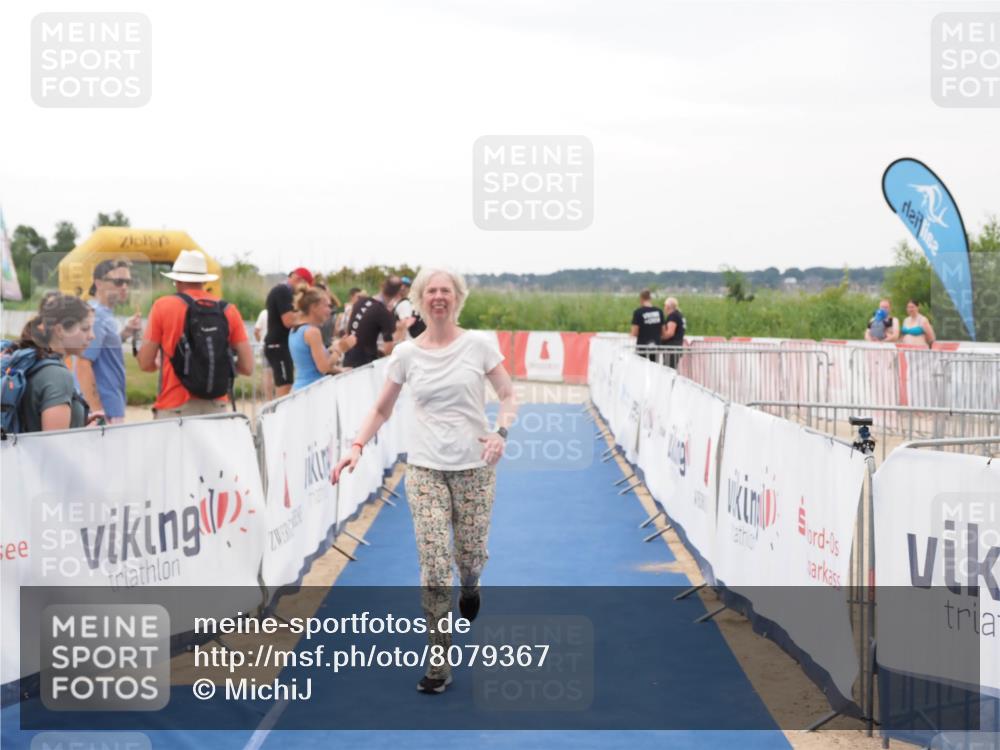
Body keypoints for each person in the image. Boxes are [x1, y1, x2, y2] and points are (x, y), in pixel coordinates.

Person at [331, 267, 517, 695]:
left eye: (445, 290)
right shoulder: (406, 355)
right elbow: (381, 408)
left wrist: (501, 432)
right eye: (431, 290)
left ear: (457, 298)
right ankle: (439, 660)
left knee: (469, 556)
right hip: (424, 469)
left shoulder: (478, 346)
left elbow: (508, 395)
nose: (438, 297)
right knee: (434, 564)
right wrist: (356, 445)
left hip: (474, 468)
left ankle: (471, 584)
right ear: (419, 299)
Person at [137, 250, 254, 418]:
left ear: (177, 280)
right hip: (216, 406)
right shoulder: (228, 310)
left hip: (174, 406)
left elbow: (145, 363)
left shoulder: (162, 306)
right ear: (204, 281)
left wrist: (158, 364)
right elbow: (248, 367)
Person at [4, 293, 101, 432]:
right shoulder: (58, 375)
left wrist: (78, 420)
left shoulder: (31, 362)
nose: (92, 336)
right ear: (60, 330)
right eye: (85, 328)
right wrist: (88, 434)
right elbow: (54, 442)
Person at [76, 259, 142, 425]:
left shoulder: (101, 313)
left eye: (128, 282)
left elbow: (101, 350)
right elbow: (83, 364)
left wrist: (125, 333)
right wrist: (97, 412)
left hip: (109, 407)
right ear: (98, 283)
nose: (124, 287)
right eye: (118, 282)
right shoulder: (97, 316)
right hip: (105, 411)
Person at [264, 267, 314, 397]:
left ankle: (275, 408)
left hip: (278, 345)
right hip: (278, 345)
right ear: (300, 280)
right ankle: (278, 410)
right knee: (284, 387)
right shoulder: (283, 291)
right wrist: (309, 316)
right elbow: (289, 321)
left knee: (284, 384)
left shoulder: (282, 290)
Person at [342, 277, 403, 368]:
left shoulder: (360, 301)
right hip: (365, 365)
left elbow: (348, 332)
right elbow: (388, 349)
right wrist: (402, 331)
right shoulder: (384, 313)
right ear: (398, 294)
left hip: (348, 359)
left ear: (382, 285)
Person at [289, 286, 342, 391]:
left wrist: (341, 370)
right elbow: (324, 368)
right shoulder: (312, 332)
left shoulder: (295, 329)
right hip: (313, 390)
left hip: (301, 388)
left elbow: (310, 363)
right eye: (326, 306)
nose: (330, 310)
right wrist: (339, 349)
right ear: (314, 307)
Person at [630, 290, 664, 361]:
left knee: (641, 366)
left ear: (641, 299)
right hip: (656, 346)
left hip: (642, 347)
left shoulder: (638, 312)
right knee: (655, 366)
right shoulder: (659, 311)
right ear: (650, 298)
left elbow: (634, 332)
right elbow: (663, 331)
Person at [253, 307, 275, 401]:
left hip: (265, 346)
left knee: (267, 374)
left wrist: (260, 341)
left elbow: (256, 331)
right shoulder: (281, 312)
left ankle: (268, 400)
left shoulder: (264, 313)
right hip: (279, 346)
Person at [661, 297, 686, 369]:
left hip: (671, 349)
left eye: (664, 305)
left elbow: (670, 333)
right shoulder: (679, 315)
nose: (664, 308)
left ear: (668, 306)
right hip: (676, 347)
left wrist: (658, 338)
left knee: (667, 371)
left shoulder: (673, 316)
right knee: (671, 370)